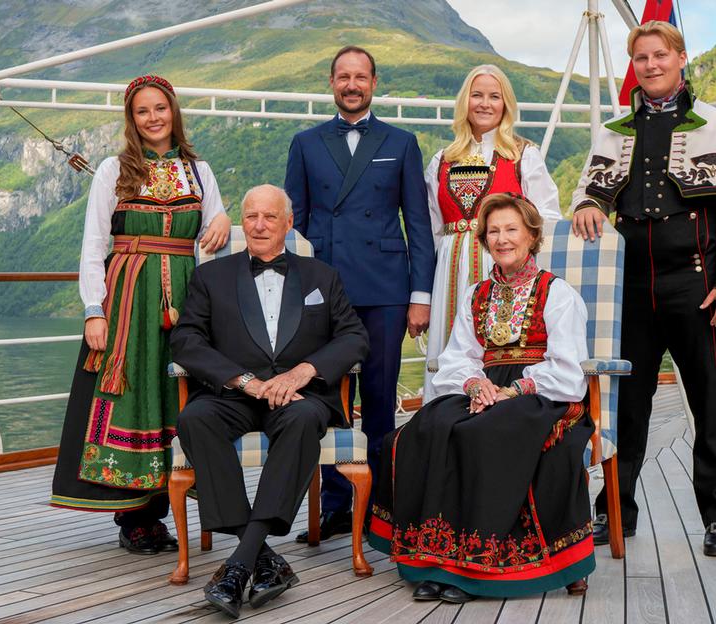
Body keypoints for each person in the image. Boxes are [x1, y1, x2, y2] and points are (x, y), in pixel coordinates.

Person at [570, 21, 716, 557]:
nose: (650, 65)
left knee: (712, 403)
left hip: (698, 285)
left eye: (660, 55)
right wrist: (588, 204)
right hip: (629, 287)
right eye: (641, 57)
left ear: (680, 59)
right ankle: (615, 512)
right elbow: (589, 190)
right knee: (626, 405)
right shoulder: (612, 131)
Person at [369, 193, 595, 602]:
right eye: (494, 231)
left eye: (512, 230)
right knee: (428, 428)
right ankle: (436, 560)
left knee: (484, 434)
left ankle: (476, 569)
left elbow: (568, 367)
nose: (502, 239)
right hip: (484, 388)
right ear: (484, 239)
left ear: (532, 236)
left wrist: (513, 389)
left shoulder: (558, 293)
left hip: (542, 393)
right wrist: (476, 386)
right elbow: (459, 356)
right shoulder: (476, 293)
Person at [50, 74, 231, 555]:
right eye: (142, 111)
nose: (153, 118)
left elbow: (216, 231)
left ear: (174, 111)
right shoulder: (114, 169)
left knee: (178, 394)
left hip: (188, 298)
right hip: (128, 296)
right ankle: (135, 517)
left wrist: (224, 218)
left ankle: (180, 498)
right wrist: (94, 309)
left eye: (160, 109)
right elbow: (93, 245)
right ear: (132, 119)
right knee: (133, 394)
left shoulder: (199, 171)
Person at [170, 184, 369, 617]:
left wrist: (304, 371)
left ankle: (239, 563)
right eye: (251, 217)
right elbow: (185, 340)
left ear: (288, 223)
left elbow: (355, 336)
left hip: (300, 394)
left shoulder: (322, 276)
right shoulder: (211, 276)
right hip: (235, 392)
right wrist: (242, 380)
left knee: (300, 422)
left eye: (270, 217)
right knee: (194, 420)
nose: (259, 225)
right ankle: (261, 558)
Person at [284, 45, 436, 541]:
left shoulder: (402, 142)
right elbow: (295, 224)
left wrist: (421, 295)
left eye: (361, 77)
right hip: (322, 288)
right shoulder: (305, 143)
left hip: (386, 287)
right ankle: (332, 503)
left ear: (374, 82)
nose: (352, 85)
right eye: (343, 77)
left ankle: (379, 506)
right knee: (325, 396)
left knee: (377, 395)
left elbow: (417, 224)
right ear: (331, 83)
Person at [422, 64, 561, 401]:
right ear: (464, 101)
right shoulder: (441, 160)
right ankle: (444, 420)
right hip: (450, 270)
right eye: (477, 95)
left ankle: (498, 409)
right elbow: (430, 230)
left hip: (504, 266)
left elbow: (547, 218)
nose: (485, 103)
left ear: (506, 104)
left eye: (494, 96)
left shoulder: (522, 155)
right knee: (449, 349)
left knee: (499, 345)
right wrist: (425, 295)